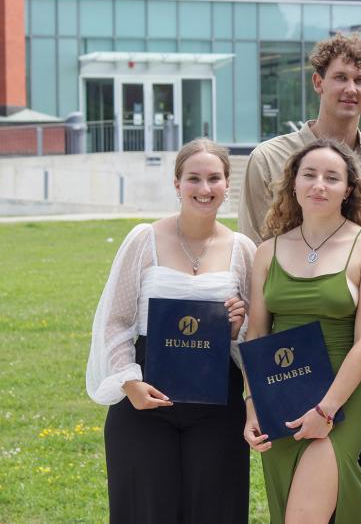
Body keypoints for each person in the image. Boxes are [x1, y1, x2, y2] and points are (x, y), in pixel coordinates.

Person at [238, 33, 361, 491]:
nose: (350, 88)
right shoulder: (269, 159)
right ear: (318, 82)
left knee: (357, 478)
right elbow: (253, 254)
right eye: (340, 77)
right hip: (287, 354)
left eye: (360, 79)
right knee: (294, 486)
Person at [86, 138, 254, 523]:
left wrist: (237, 327)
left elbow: (254, 336)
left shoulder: (243, 250)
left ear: (228, 184)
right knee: (145, 510)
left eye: (214, 178)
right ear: (177, 184)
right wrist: (129, 383)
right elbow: (115, 319)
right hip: (145, 399)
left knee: (216, 509)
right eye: (193, 178)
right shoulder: (143, 240)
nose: (204, 188)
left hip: (217, 404)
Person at [243, 138, 361, 524]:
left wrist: (326, 410)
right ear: (294, 184)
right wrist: (251, 405)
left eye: (332, 177)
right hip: (279, 395)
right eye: (309, 175)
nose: (319, 185)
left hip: (338, 401)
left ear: (348, 190)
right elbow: (257, 334)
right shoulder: (267, 252)